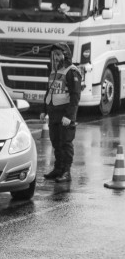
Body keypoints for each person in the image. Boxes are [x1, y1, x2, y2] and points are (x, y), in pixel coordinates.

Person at [40, 42, 82, 183]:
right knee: (56, 142)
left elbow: (75, 96)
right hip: (53, 113)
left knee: (66, 143)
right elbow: (49, 91)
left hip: (65, 115)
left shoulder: (72, 71)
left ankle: (66, 172)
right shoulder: (53, 70)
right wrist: (43, 110)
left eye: (58, 54)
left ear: (65, 55)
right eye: (54, 54)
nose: (56, 57)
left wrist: (69, 116)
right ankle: (58, 169)